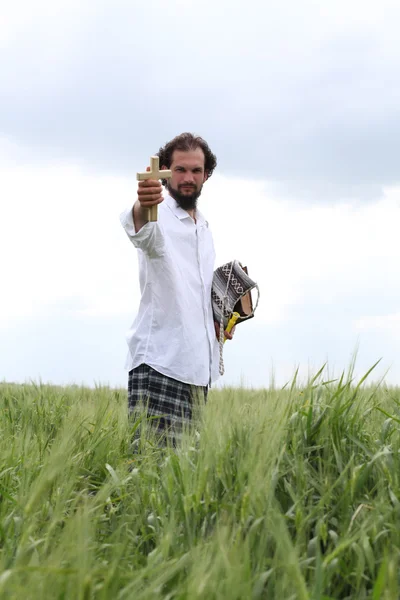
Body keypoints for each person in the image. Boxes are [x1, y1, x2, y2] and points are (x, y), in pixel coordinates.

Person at [120, 132, 232, 443]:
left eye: (196, 171)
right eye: (180, 170)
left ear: (206, 175)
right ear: (166, 172)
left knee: (182, 479)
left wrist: (220, 321)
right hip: (160, 364)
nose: (187, 178)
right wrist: (144, 201)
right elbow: (140, 228)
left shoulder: (204, 228)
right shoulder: (158, 215)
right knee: (149, 470)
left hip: (198, 370)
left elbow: (196, 293)